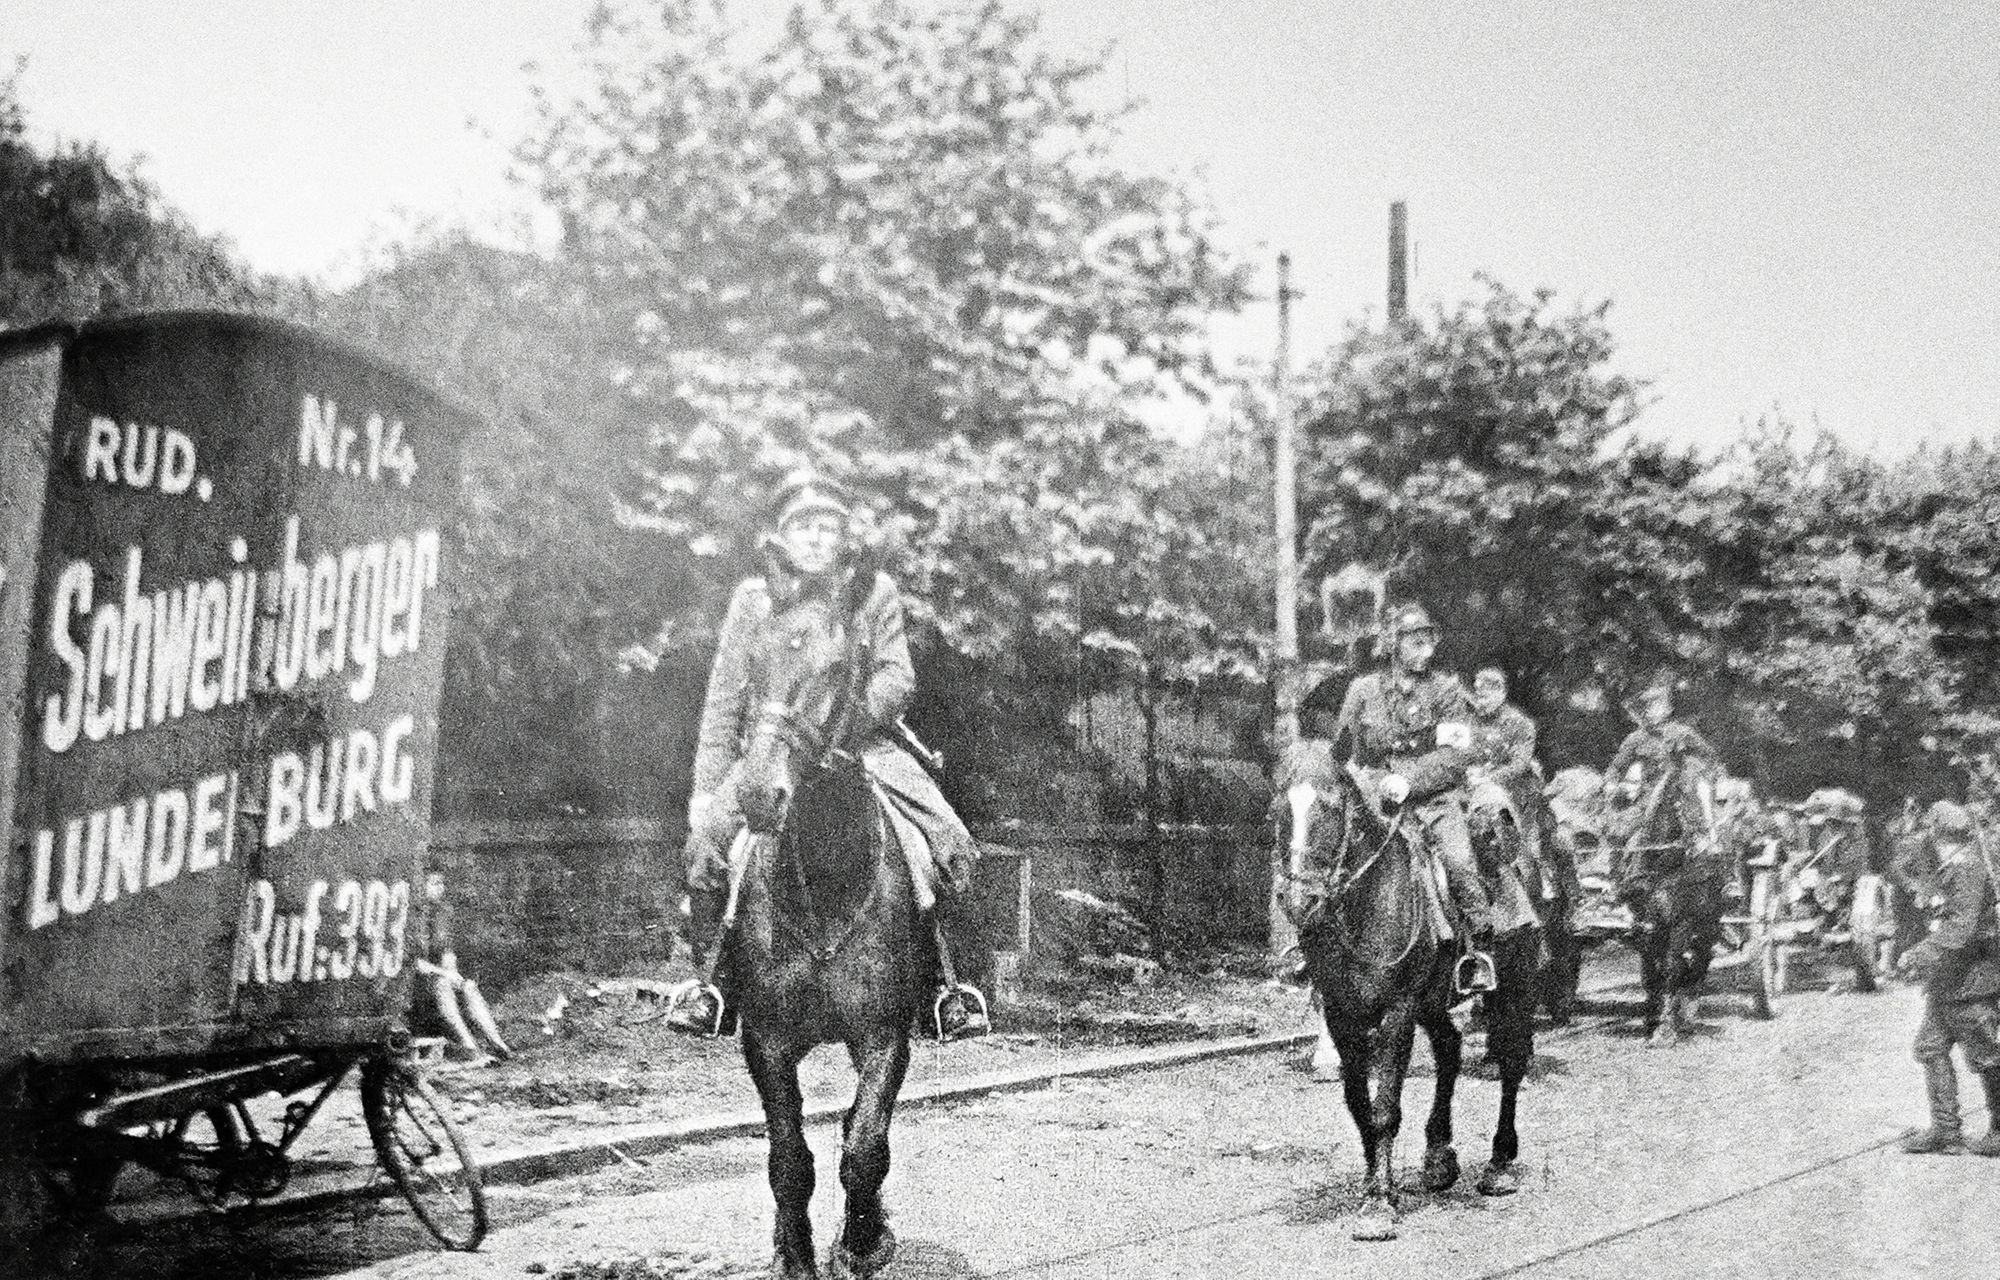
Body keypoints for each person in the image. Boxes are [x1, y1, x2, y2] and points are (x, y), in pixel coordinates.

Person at [666, 476, 989, 1041]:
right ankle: (712, 984)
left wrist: (843, 720)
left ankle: (948, 987)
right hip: (774, 749)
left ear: (843, 537)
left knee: (947, 839)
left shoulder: (873, 591)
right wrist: (706, 788)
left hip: (862, 746)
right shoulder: (754, 599)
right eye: (803, 527)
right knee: (707, 846)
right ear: (782, 535)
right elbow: (725, 698)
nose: (815, 540)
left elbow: (897, 675)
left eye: (827, 528)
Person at [1331, 604, 1505, 958]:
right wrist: (1355, 778)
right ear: (1393, 644)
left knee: (1459, 866)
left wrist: (1409, 780)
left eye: (1429, 643)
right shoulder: (1362, 690)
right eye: (1416, 643)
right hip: (1374, 802)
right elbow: (1343, 750)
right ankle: (1320, 953)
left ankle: (1477, 955)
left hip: (1434, 803)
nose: (1426, 651)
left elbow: (1456, 757)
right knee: (1331, 862)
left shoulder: (1446, 692)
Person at [1897, 800, 2000, 1156]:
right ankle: (1946, 1130)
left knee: (1986, 1055)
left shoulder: (1969, 868)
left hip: (1973, 980)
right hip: (1948, 979)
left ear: (1945, 834)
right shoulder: (1948, 865)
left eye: (1935, 834)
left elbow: (1960, 928)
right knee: (1930, 1047)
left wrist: (1919, 954)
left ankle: (1999, 1130)